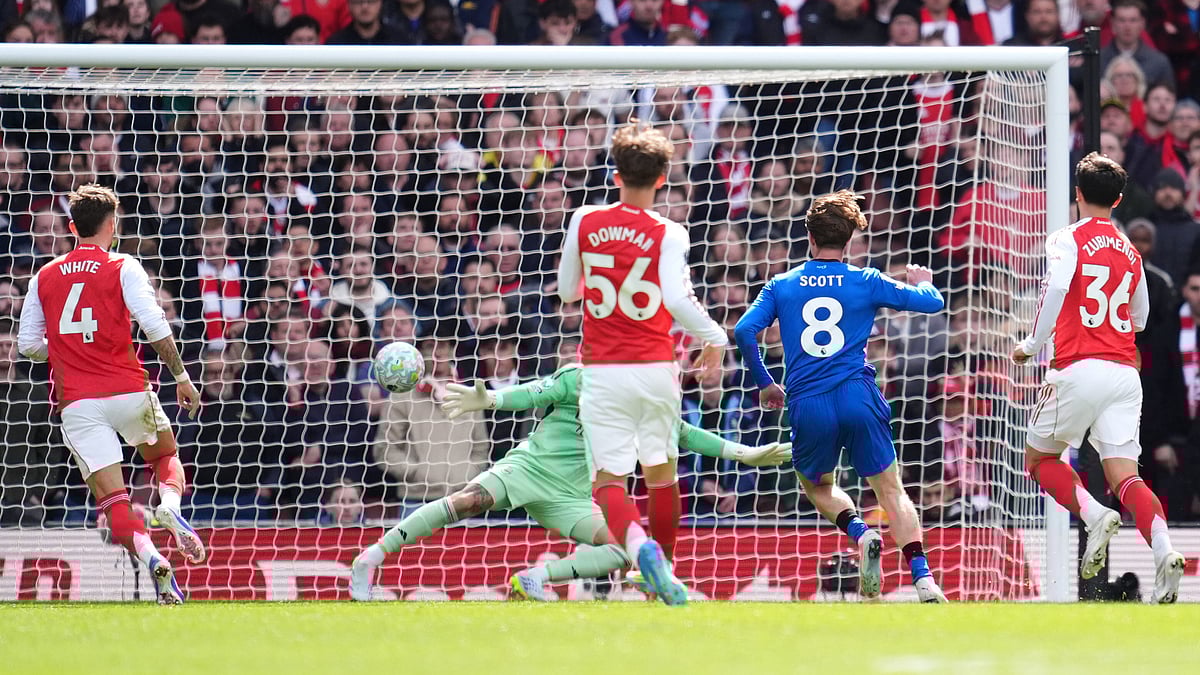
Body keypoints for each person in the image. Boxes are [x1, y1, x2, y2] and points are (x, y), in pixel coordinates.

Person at [350, 362, 791, 601]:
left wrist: (747, 453)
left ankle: (536, 578)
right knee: (468, 501)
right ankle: (371, 557)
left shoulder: (645, 407)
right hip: (529, 469)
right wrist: (492, 398)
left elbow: (690, 436)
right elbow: (532, 392)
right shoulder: (580, 378)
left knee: (626, 548)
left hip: (573, 496)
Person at [733, 189, 949, 603]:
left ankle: (860, 533)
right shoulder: (866, 280)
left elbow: (743, 330)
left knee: (816, 487)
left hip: (808, 401)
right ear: (849, 241)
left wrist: (765, 382)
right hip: (858, 394)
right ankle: (924, 581)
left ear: (809, 239)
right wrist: (925, 282)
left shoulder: (782, 284)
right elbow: (931, 303)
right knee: (891, 489)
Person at [556, 121, 728, 606]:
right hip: (656, 368)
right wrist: (713, 337)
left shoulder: (585, 220)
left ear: (615, 174)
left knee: (610, 480)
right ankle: (662, 576)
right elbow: (677, 297)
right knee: (661, 472)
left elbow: (568, 291)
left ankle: (639, 551)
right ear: (662, 178)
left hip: (603, 369)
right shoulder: (669, 232)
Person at [16, 184, 204, 605]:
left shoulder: (43, 276)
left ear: (71, 227)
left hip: (78, 403)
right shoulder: (123, 265)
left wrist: (66, 349)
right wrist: (181, 376)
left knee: (114, 501)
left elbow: (28, 344)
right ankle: (169, 506)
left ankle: (151, 555)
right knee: (163, 458)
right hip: (128, 390)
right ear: (112, 226)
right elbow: (154, 324)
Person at [1012, 153, 1184, 604]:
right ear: (1120, 199)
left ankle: (1091, 515)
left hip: (1078, 367)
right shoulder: (1129, 249)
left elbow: (1057, 287)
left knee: (1039, 459)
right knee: (1127, 477)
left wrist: (1032, 345)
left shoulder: (1067, 238)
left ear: (1078, 194)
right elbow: (1141, 316)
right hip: (1125, 373)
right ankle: (1164, 549)